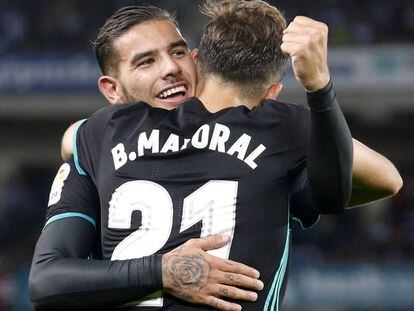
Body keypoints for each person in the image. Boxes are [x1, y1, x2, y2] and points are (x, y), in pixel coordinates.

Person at [29, 1, 402, 311]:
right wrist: (318, 88)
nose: (171, 68)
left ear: (196, 61)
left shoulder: (94, 135)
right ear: (112, 90)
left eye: (177, 53)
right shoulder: (281, 127)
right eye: (146, 62)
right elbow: (385, 177)